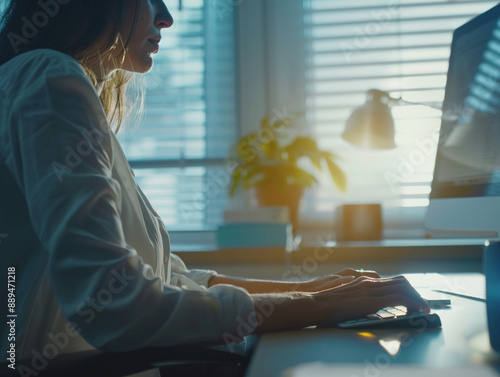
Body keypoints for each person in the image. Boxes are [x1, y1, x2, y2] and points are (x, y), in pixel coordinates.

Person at [0, 1, 428, 376]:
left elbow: (171, 280)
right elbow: (114, 305)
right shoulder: (49, 77)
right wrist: (319, 308)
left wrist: (319, 290)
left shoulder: (46, 82)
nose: (166, 17)